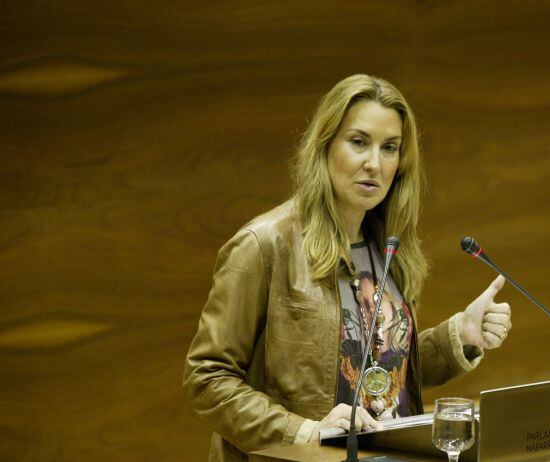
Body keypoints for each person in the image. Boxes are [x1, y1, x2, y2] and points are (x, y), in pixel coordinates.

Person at [183, 74, 512, 461]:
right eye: (358, 142)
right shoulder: (264, 244)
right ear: (325, 145)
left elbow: (374, 371)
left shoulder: (386, 247)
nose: (374, 163)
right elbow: (206, 377)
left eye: (389, 148)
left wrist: (459, 336)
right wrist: (305, 431)